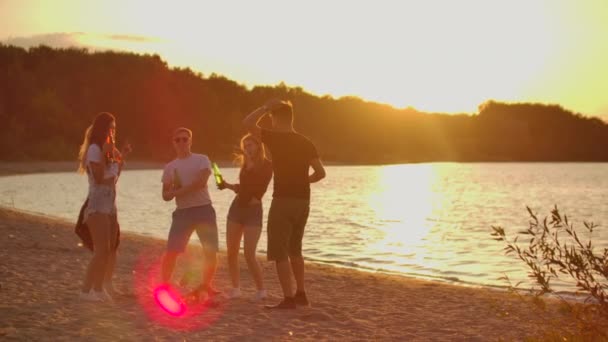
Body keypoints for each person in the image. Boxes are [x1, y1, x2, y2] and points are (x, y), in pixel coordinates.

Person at [243, 99, 326, 309]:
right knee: (295, 249)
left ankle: (288, 299)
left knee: (280, 251)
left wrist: (265, 107)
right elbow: (321, 173)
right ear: (291, 118)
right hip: (303, 201)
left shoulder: (274, 137)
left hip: (282, 201)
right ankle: (301, 294)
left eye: (271, 117)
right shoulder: (306, 142)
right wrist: (303, 180)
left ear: (276, 118)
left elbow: (248, 122)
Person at [161, 127, 219, 300]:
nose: (181, 143)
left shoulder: (202, 159)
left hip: (203, 209)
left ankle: (206, 285)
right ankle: (165, 285)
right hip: (182, 212)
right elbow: (165, 195)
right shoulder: (170, 167)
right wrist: (171, 193)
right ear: (173, 143)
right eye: (177, 140)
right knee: (172, 251)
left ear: (190, 141)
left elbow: (201, 183)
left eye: (184, 139)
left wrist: (177, 192)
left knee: (210, 251)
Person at [77, 112, 130, 302]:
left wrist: (119, 159)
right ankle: (85, 291)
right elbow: (100, 179)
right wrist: (115, 165)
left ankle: (98, 290)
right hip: (97, 204)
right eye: (110, 128)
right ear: (102, 129)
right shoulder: (94, 149)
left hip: (110, 205)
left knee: (108, 250)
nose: (113, 131)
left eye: (115, 128)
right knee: (100, 251)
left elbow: (113, 180)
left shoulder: (107, 150)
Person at [218, 134, 273, 300]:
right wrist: (226, 185)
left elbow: (258, 189)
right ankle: (236, 289)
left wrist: (248, 193)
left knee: (249, 254)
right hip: (236, 209)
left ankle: (261, 290)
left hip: (254, 212)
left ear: (258, 146)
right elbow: (243, 188)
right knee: (231, 252)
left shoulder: (266, 165)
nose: (247, 148)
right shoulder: (244, 164)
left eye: (250, 145)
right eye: (245, 145)